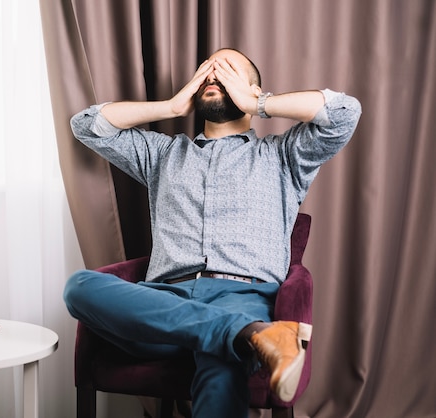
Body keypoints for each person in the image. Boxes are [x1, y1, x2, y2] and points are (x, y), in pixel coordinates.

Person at [64, 48, 361, 417]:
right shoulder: (162, 155)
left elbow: (345, 113)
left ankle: (236, 333)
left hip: (244, 294)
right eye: (207, 71)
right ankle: (250, 335)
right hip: (164, 303)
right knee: (79, 287)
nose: (214, 77)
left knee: (221, 362)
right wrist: (171, 107)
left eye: (228, 71)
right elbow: (87, 124)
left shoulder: (284, 155)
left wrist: (261, 102)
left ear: (250, 89)